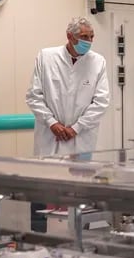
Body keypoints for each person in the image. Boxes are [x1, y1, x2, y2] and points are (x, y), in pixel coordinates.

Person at [26, 17, 110, 157]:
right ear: (69, 36)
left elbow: (101, 102)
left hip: (80, 137)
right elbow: (34, 96)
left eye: (91, 36)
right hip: (49, 135)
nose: (89, 41)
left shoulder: (98, 62)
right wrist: (51, 123)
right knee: (46, 175)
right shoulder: (46, 57)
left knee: (79, 177)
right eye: (84, 37)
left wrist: (76, 128)